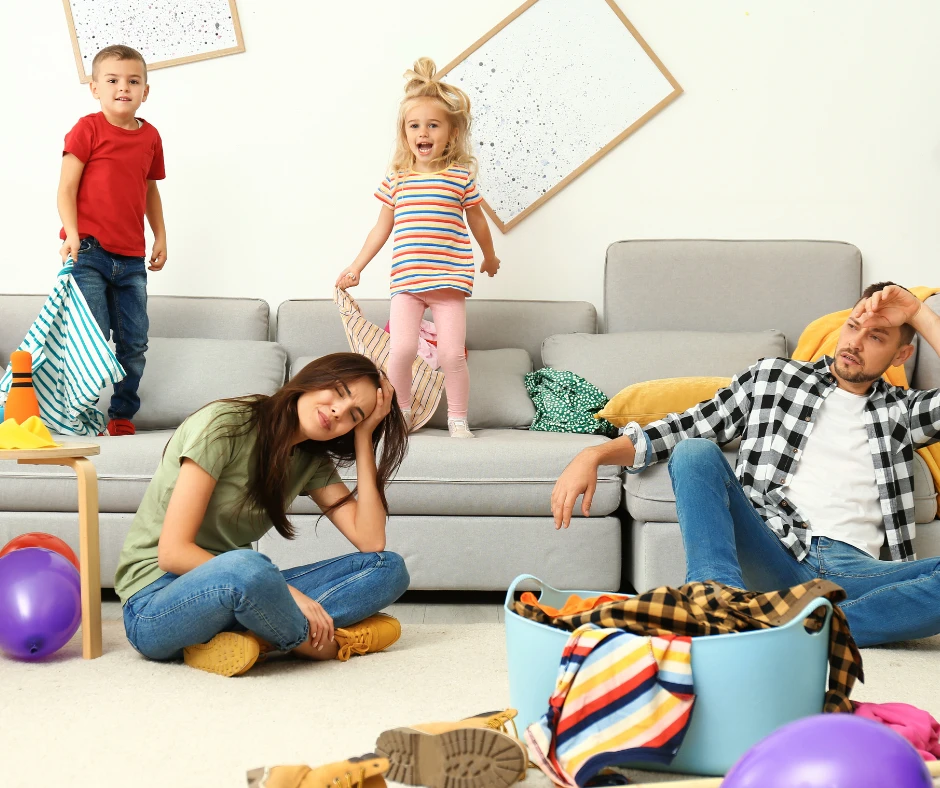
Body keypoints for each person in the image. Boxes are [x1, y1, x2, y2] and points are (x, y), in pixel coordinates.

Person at [550, 283, 940, 647]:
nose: (854, 343)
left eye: (876, 337)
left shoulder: (903, 411)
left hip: (853, 571)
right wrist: (594, 454)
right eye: (853, 327)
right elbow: (681, 428)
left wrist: (919, 313)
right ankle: (715, 600)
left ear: (901, 355)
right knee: (694, 452)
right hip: (773, 545)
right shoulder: (774, 377)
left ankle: (799, 629)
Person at [113, 353, 411, 676]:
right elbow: (172, 553)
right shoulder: (224, 425)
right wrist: (288, 594)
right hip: (154, 604)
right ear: (313, 378)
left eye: (354, 415)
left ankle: (253, 637)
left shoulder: (310, 461)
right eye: (338, 391)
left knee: (390, 568)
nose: (339, 411)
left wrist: (364, 436)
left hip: (242, 591)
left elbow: (370, 539)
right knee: (251, 568)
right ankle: (316, 644)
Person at [335, 57, 502, 439]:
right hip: (408, 283)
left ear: (451, 133)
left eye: (432, 125)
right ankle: (402, 414)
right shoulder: (398, 179)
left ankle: (458, 419)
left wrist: (489, 256)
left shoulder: (460, 178)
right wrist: (357, 266)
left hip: (448, 283)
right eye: (415, 125)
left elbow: (478, 222)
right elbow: (382, 227)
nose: (423, 132)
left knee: (450, 355)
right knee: (401, 350)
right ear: (405, 133)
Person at [57, 45, 167, 437]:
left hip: (132, 259)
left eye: (133, 81)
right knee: (91, 340)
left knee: (134, 343)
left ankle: (121, 413)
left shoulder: (150, 136)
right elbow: (66, 188)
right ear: (94, 88)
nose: (124, 88)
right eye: (114, 80)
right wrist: (72, 235)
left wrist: (161, 236)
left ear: (145, 91)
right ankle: (79, 412)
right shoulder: (87, 129)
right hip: (89, 252)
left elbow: (150, 189)